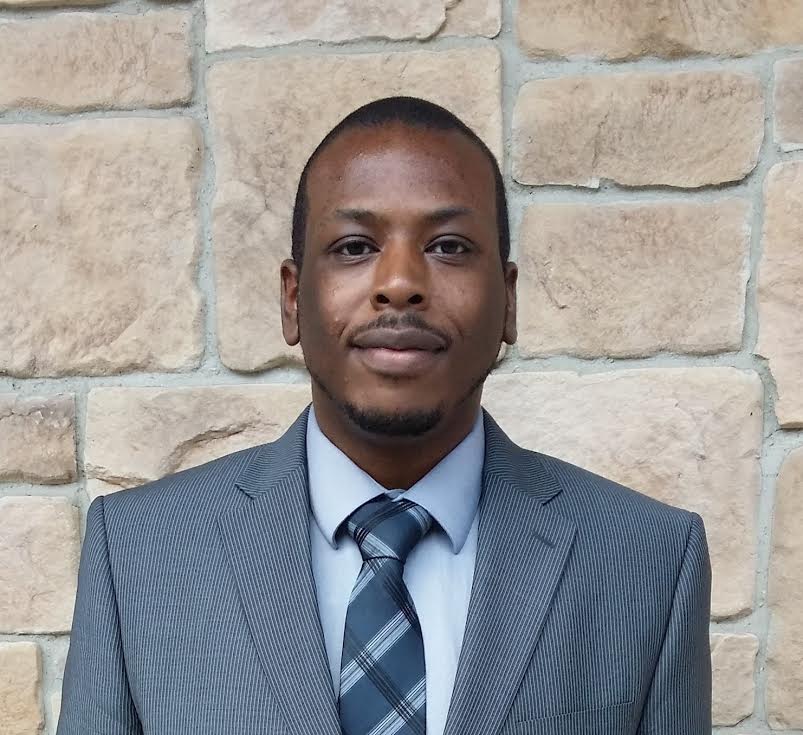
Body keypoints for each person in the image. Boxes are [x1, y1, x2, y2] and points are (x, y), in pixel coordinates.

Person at [57, 96, 712, 735]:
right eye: (353, 247)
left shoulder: (647, 559)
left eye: (449, 246)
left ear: (508, 302)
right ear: (292, 299)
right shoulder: (139, 553)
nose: (399, 282)